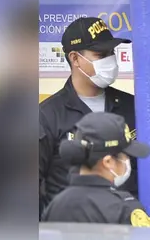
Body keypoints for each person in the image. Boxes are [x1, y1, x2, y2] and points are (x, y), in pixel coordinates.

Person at [40, 16, 136, 213]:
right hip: (71, 234)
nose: (110, 60)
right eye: (101, 55)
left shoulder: (131, 106)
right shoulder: (47, 116)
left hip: (126, 230)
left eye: (112, 53)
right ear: (75, 58)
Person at [42, 112, 150, 227]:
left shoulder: (56, 205)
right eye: (125, 156)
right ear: (108, 162)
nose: (127, 161)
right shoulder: (124, 208)